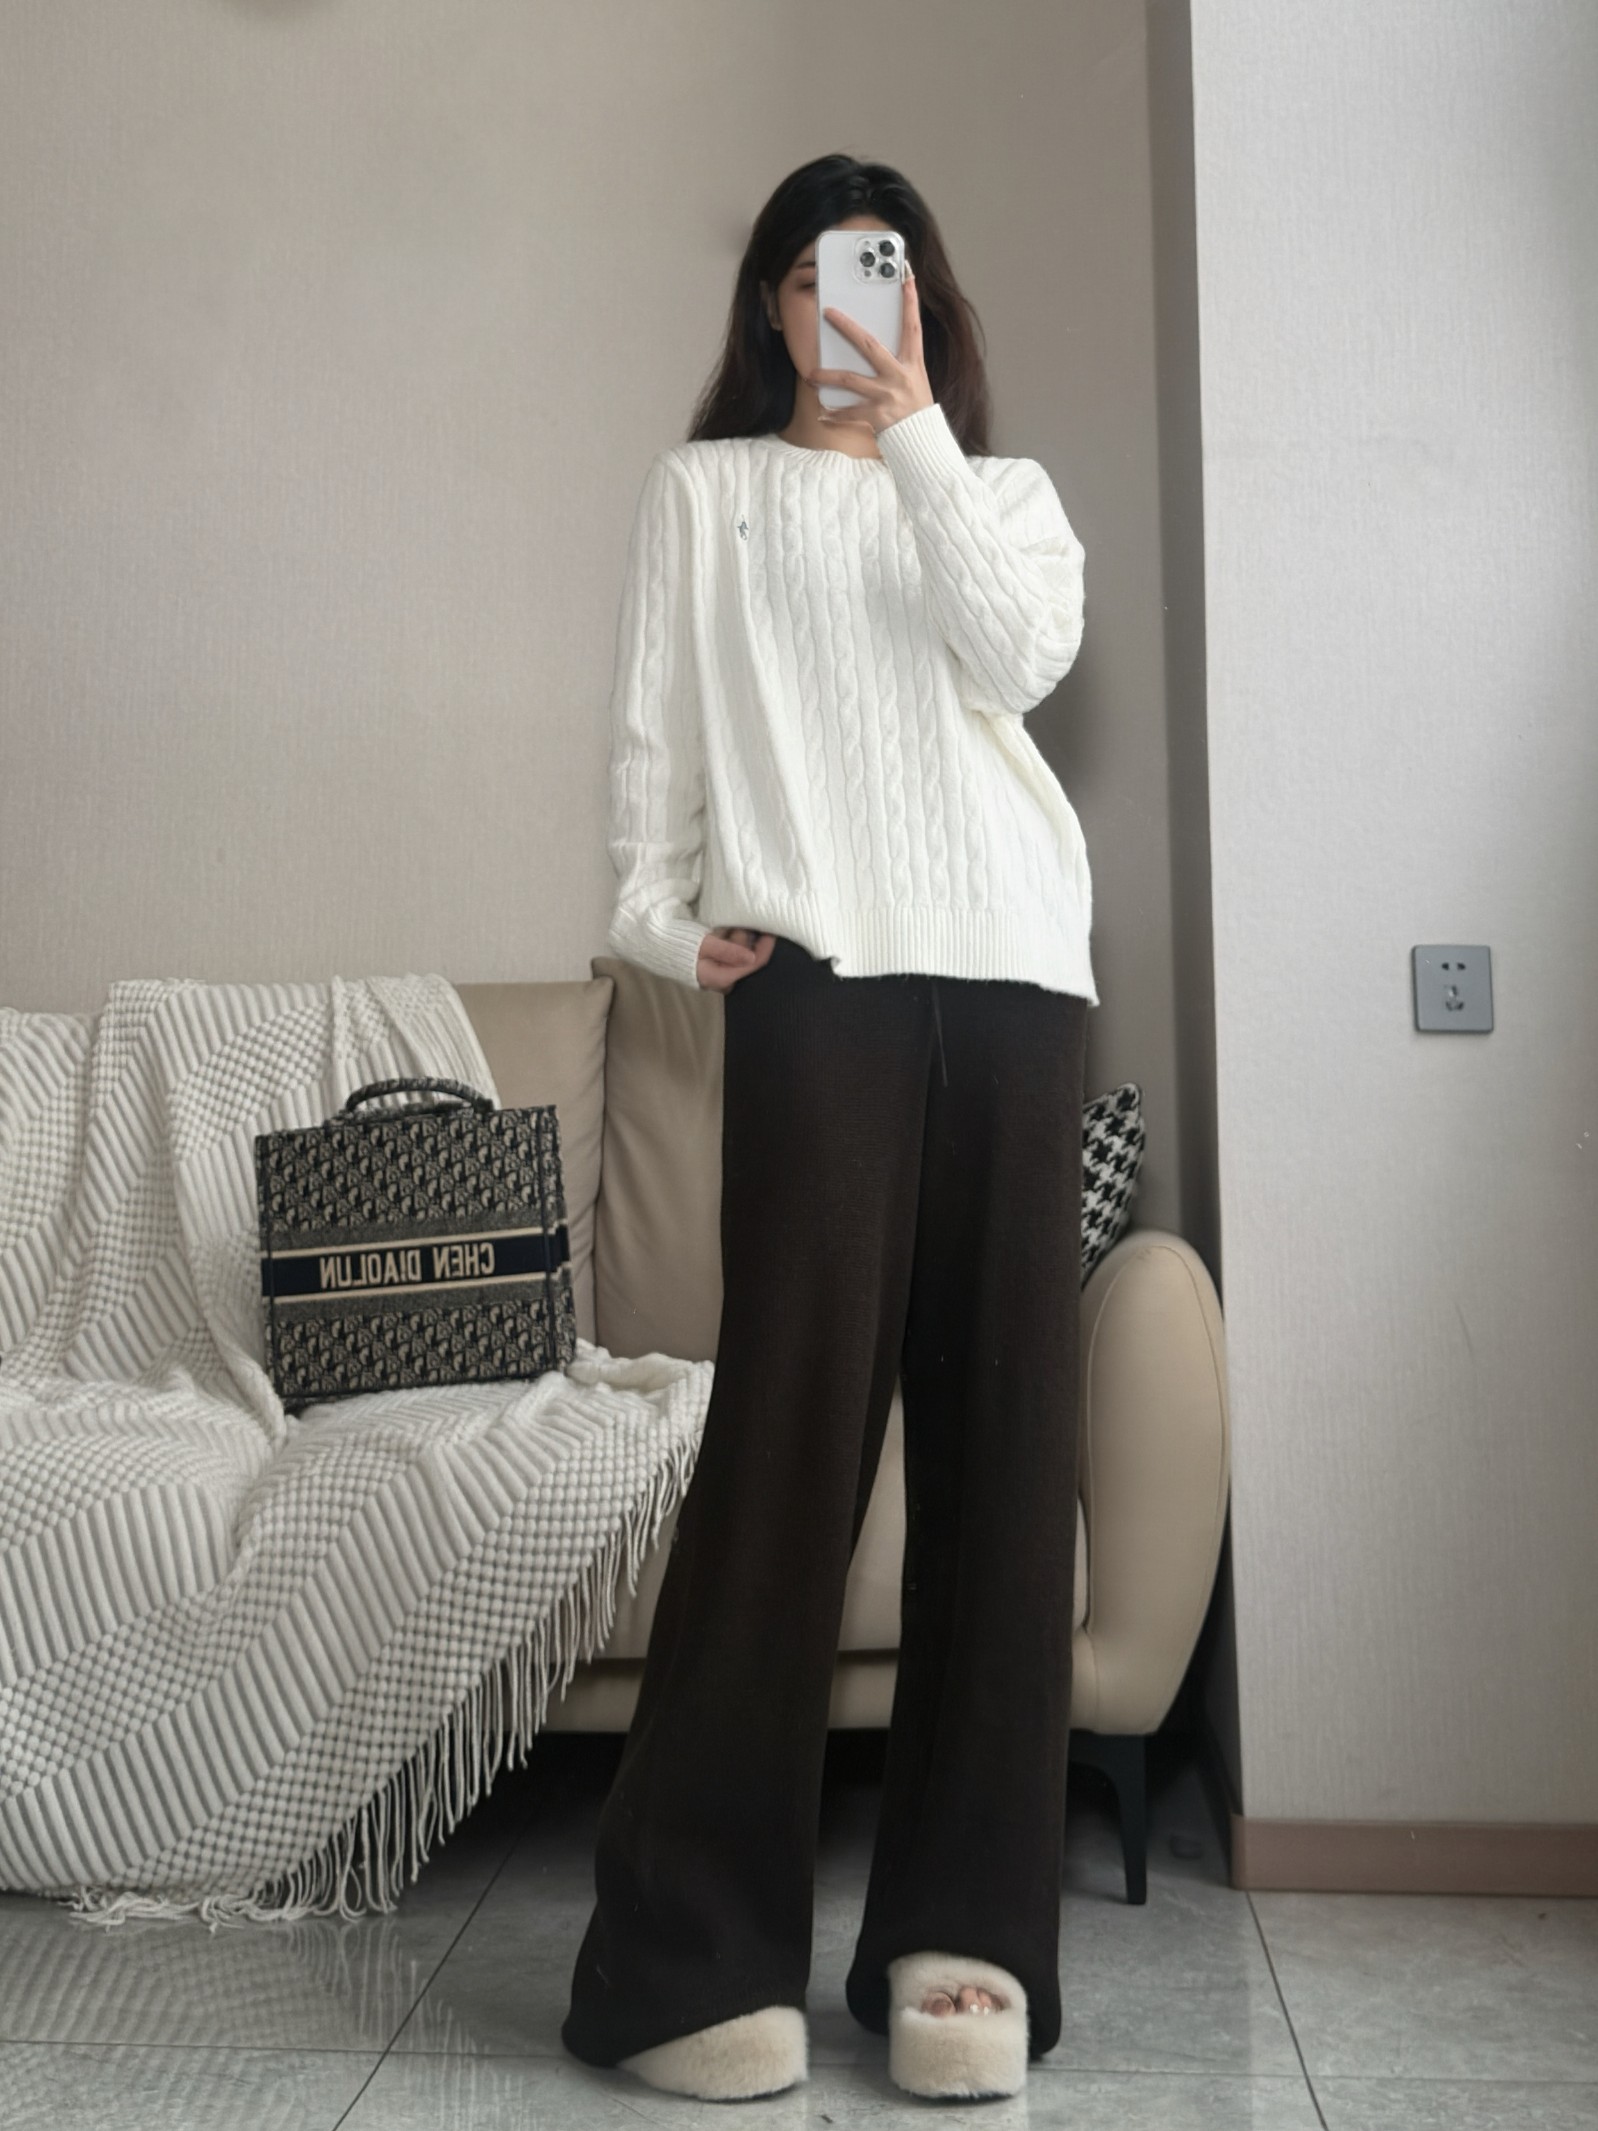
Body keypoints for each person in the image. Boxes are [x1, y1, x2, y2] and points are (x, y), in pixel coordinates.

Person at [560, 151, 1097, 2106]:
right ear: (769, 309)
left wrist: (921, 436)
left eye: (874, 272)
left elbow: (1017, 661)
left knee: (1004, 1452)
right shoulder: (703, 491)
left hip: (1017, 975)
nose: (837, 304)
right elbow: (654, 751)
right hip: (817, 980)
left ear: (919, 301)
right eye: (806, 274)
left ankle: (968, 1938)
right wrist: (659, 923)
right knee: (785, 1443)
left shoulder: (999, 494)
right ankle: (688, 1956)